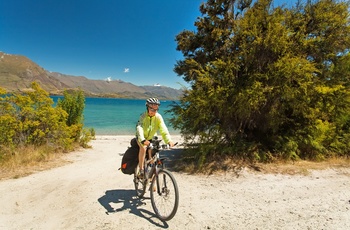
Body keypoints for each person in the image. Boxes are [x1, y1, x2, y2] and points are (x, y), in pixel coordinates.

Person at [136, 97, 174, 178]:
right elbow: (139, 128)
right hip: (141, 138)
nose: (154, 111)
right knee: (143, 148)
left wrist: (169, 140)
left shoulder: (158, 117)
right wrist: (142, 140)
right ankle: (141, 170)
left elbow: (163, 129)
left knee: (154, 154)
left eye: (156, 109)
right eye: (152, 109)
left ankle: (151, 176)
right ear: (147, 107)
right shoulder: (143, 116)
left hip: (152, 138)